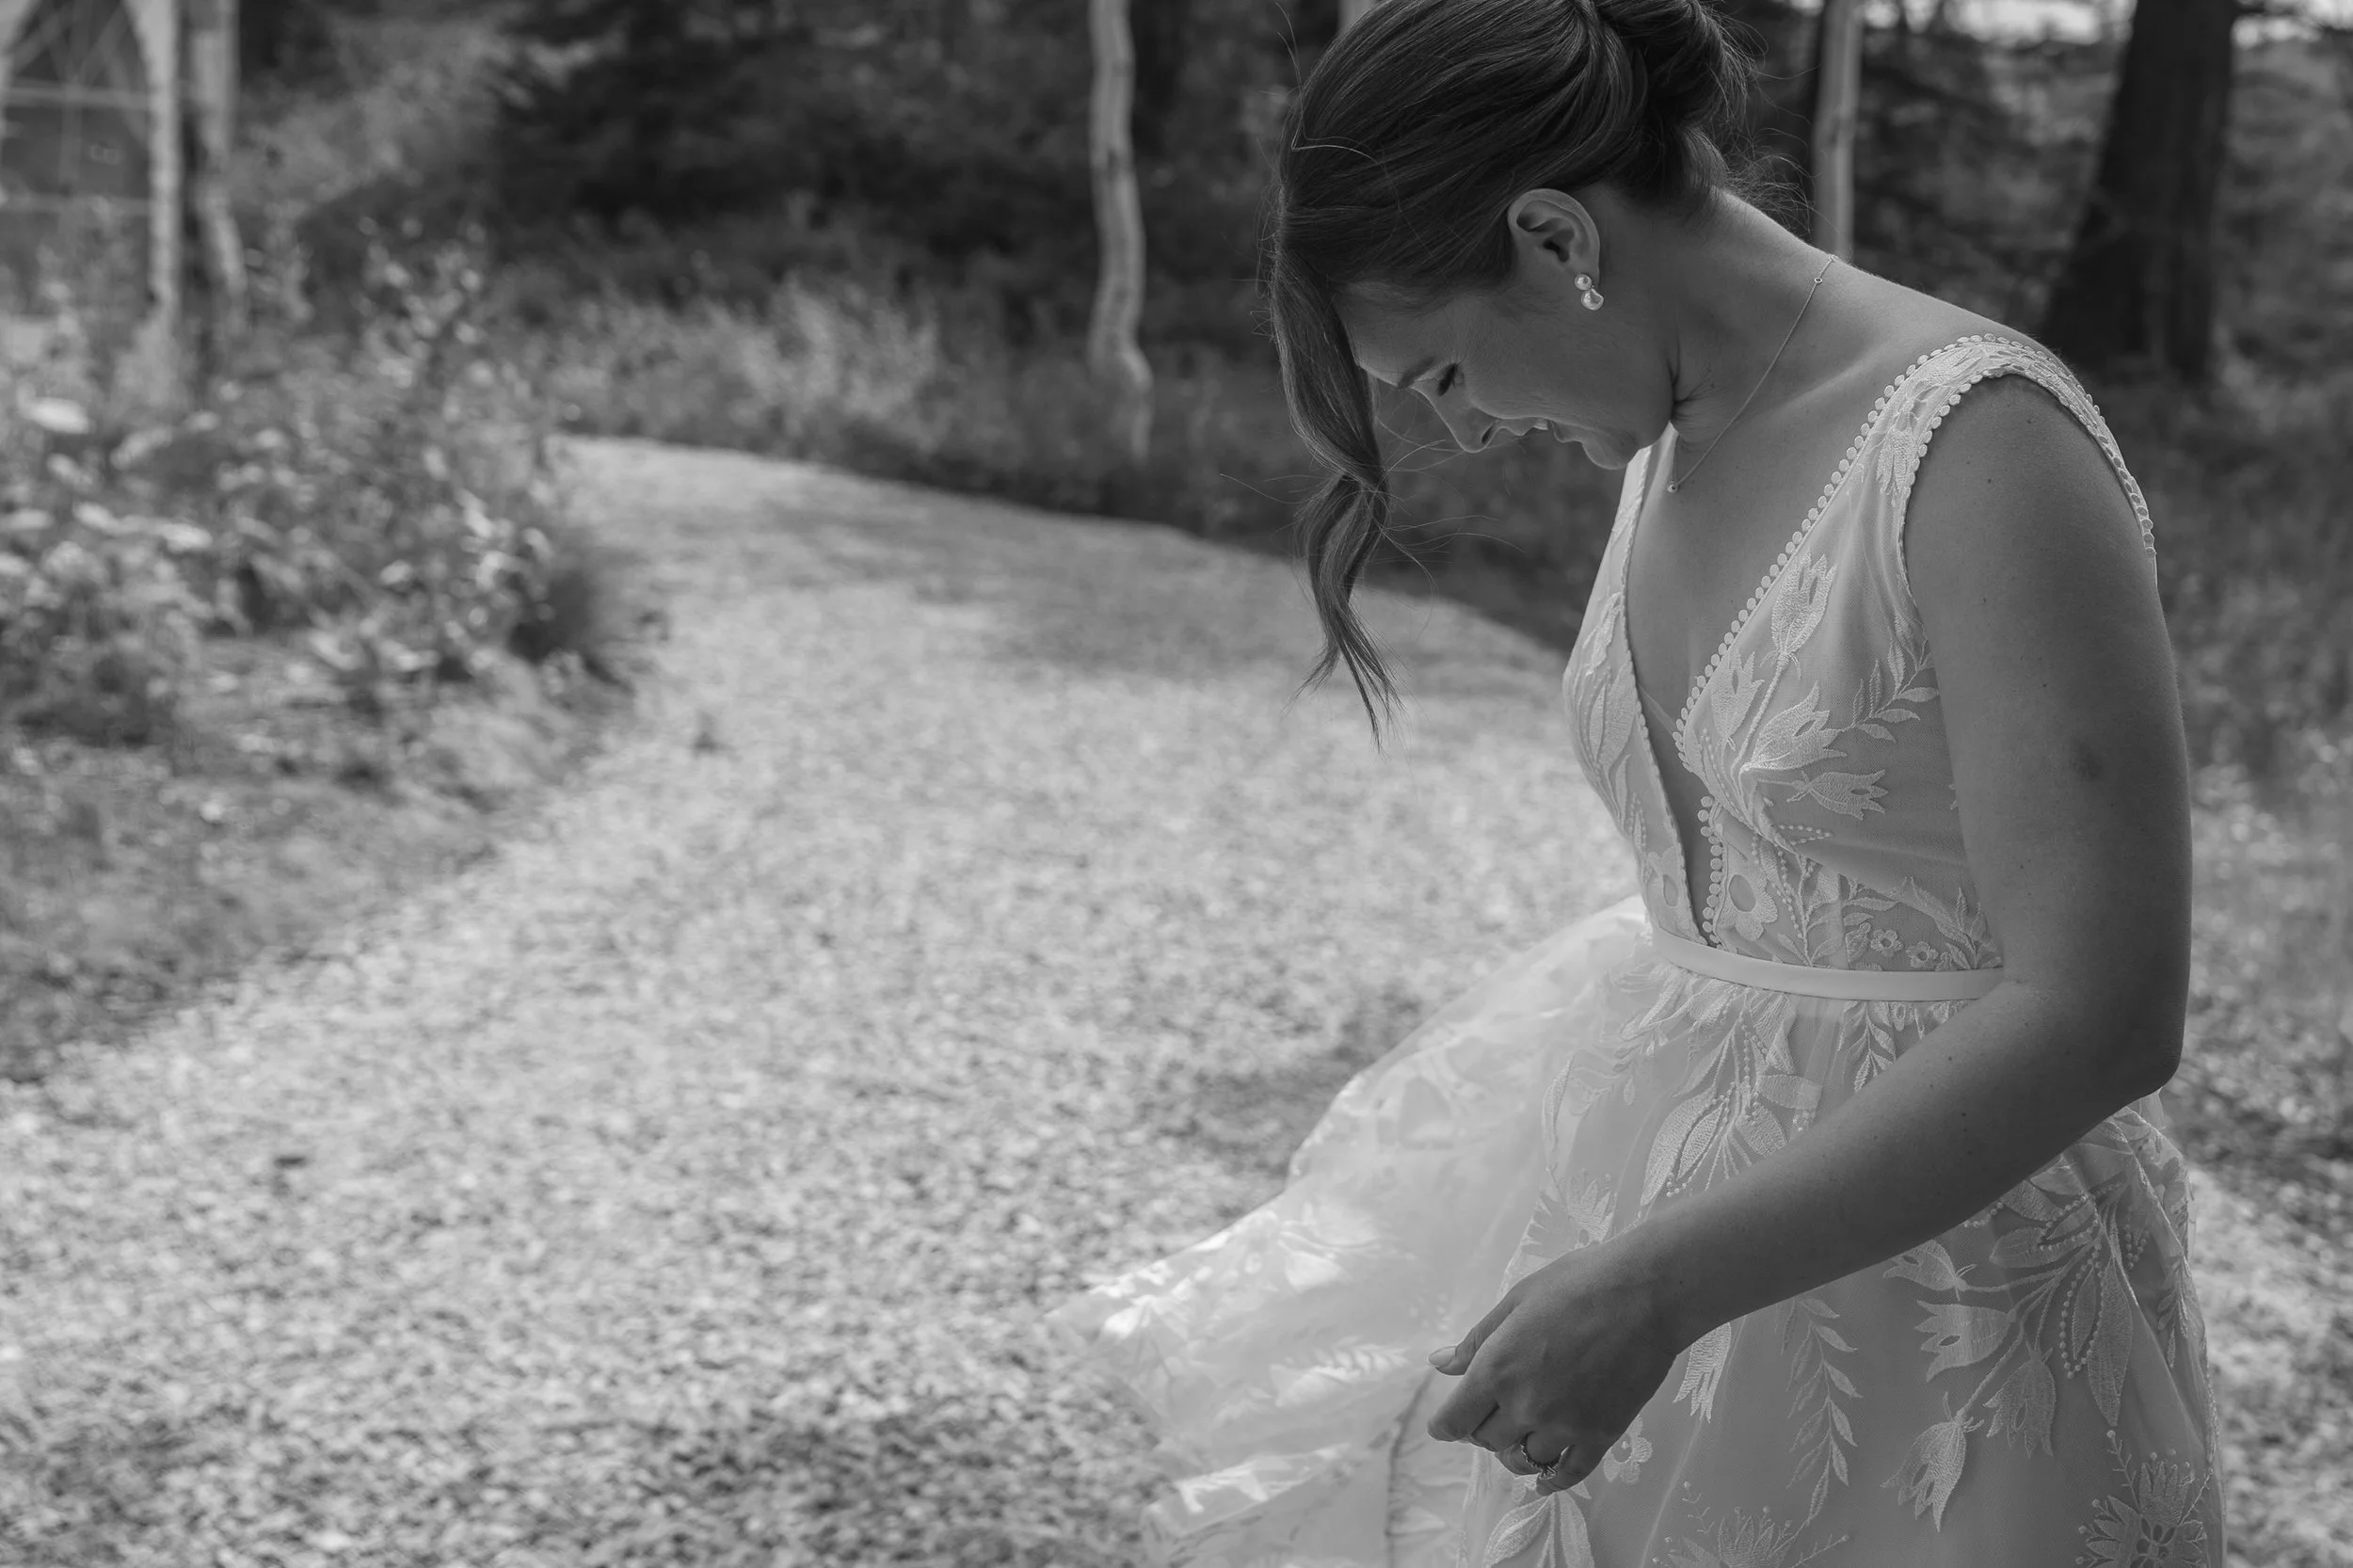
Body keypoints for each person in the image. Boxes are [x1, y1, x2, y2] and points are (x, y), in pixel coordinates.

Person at [1043, 0, 2223, 1561]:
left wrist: (1660, 1284)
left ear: (1553, 239)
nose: (1457, 424)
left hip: (1948, 1293)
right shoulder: (1672, 426)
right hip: (1649, 1228)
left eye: (1446, 367)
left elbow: (2103, 1007)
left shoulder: (1978, 445)